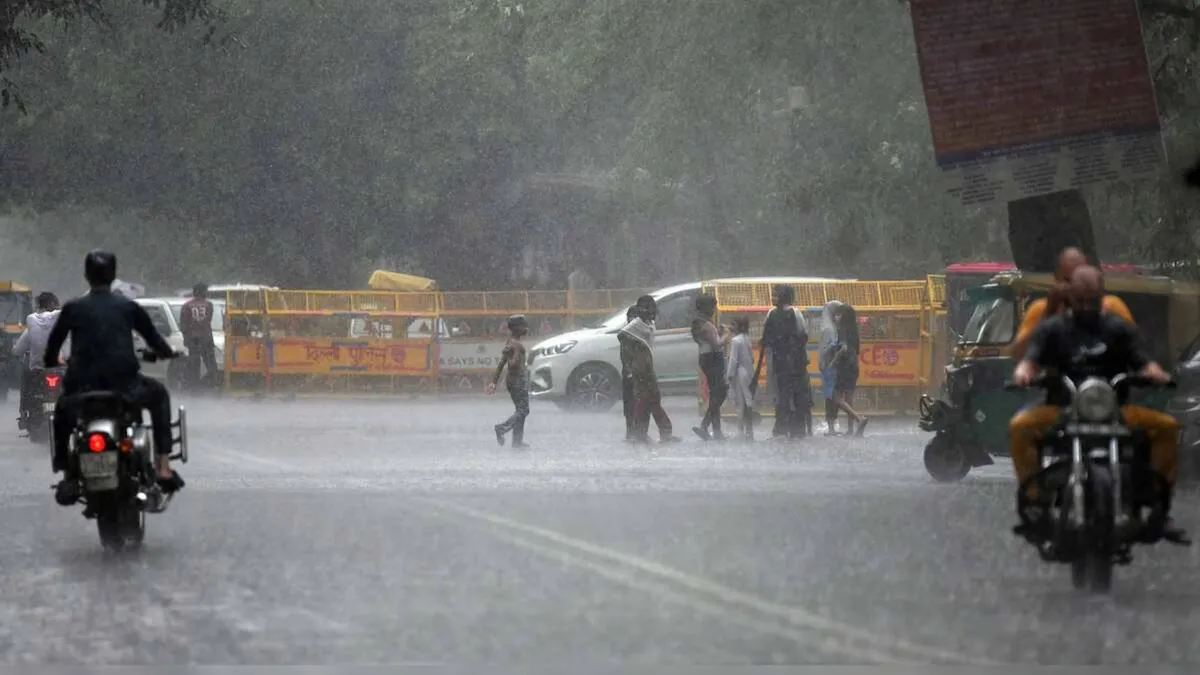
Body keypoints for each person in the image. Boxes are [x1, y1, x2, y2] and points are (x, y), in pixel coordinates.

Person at [1010, 265, 1186, 543]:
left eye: (1091, 300)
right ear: (1070, 298)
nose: (1085, 306)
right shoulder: (1053, 329)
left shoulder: (1118, 328)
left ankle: (1158, 506)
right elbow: (1031, 358)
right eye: (1079, 299)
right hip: (1062, 409)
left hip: (1116, 410)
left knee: (1167, 426)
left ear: (1101, 296)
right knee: (1020, 427)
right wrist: (1025, 372)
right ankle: (1036, 504)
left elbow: (1141, 358)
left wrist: (1154, 372)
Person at [44, 250, 184, 507]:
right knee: (159, 395)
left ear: (87, 276)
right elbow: (157, 343)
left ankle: (66, 473)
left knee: (62, 412)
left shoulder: (73, 308)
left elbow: (51, 352)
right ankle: (163, 466)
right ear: (113, 275)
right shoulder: (129, 307)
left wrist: (56, 361)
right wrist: (168, 353)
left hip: (82, 390)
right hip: (125, 388)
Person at [1010, 247, 1133, 362]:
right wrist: (1049, 311)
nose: (1076, 288)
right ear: (1056, 278)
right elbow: (1018, 356)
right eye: (1069, 280)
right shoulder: (1041, 308)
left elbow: (1135, 348)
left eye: (1081, 279)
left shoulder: (1111, 305)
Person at [621, 295, 679, 444]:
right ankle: (649, 432)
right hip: (640, 368)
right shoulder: (636, 324)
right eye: (648, 308)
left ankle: (643, 433)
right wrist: (635, 356)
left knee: (650, 400)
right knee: (646, 400)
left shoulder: (648, 323)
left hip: (647, 366)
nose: (652, 311)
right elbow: (622, 336)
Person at [754, 285, 811, 439]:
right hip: (790, 362)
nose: (773, 297)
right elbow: (803, 337)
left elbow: (766, 338)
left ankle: (783, 428)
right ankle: (794, 428)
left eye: (776, 295)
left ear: (784, 296)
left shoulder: (775, 314)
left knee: (784, 395)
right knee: (788, 395)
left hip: (783, 362)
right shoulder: (791, 314)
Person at [11, 292, 68, 421]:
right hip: (60, 369)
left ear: (39, 306)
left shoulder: (31, 321)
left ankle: (24, 413)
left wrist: (14, 352)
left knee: (27, 382)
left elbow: (18, 349)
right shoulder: (64, 321)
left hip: (37, 370)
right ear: (55, 305)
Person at [487, 314, 531, 448]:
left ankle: (517, 441)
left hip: (512, 380)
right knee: (524, 410)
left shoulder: (510, 341)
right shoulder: (516, 344)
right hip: (518, 379)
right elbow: (512, 364)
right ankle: (502, 428)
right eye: (523, 326)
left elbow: (501, 363)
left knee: (520, 409)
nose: (526, 328)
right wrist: (520, 362)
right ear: (516, 328)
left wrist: (493, 382)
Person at [691, 294, 727, 441]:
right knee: (721, 393)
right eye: (713, 306)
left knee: (714, 394)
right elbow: (717, 344)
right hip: (713, 359)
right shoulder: (706, 324)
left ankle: (717, 431)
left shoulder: (697, 323)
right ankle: (705, 425)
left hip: (705, 358)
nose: (714, 309)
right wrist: (726, 335)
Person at [831, 304, 868, 436]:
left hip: (844, 366)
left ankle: (859, 419)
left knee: (836, 397)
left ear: (844, 317)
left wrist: (832, 362)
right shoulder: (854, 331)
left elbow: (844, 348)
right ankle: (851, 429)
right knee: (849, 397)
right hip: (854, 366)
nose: (835, 317)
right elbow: (855, 351)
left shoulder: (842, 330)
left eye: (838, 314)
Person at [180, 283, 220, 390]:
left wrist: (186, 339)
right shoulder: (209, 305)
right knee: (211, 363)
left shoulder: (186, 306)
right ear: (203, 292)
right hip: (206, 338)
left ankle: (194, 387)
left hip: (193, 339)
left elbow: (183, 325)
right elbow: (208, 321)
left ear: (194, 292)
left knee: (194, 364)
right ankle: (214, 385)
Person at [725, 317, 756, 441]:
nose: (730, 326)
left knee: (741, 402)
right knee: (748, 400)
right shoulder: (747, 339)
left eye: (733, 324)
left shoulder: (736, 341)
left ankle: (741, 430)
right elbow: (752, 358)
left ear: (739, 326)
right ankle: (749, 429)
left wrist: (729, 375)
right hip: (749, 372)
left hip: (740, 373)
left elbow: (733, 360)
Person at [818, 300, 845, 435]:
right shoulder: (829, 329)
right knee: (831, 397)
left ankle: (832, 427)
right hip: (830, 367)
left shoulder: (829, 327)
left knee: (831, 397)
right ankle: (831, 427)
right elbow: (826, 349)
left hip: (829, 366)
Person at [619, 305, 639, 442]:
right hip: (631, 373)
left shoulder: (632, 333)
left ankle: (634, 432)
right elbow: (625, 355)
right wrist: (629, 371)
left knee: (634, 403)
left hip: (636, 372)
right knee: (631, 403)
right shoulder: (628, 334)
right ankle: (632, 432)